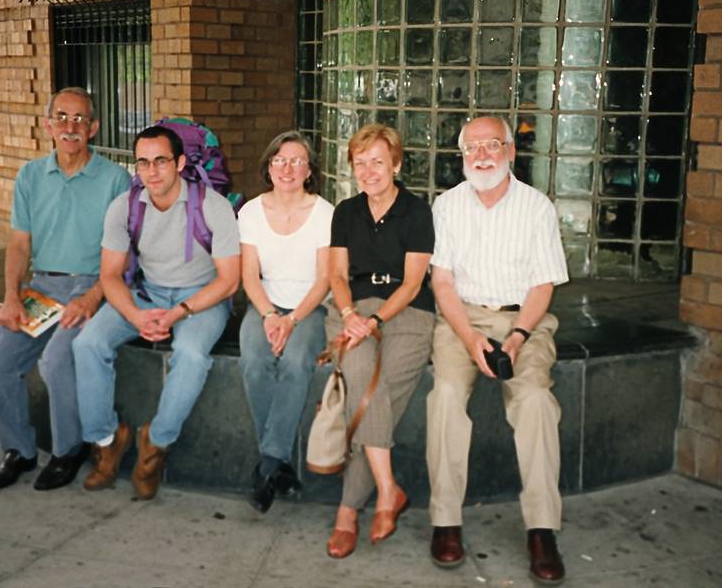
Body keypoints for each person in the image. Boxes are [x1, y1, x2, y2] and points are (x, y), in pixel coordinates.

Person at [426, 116, 569, 584]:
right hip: (461, 318)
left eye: (493, 145)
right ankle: (446, 520)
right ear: (462, 156)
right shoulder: (446, 207)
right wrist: (470, 339)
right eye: (472, 148)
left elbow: (542, 283)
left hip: (522, 319)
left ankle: (542, 528)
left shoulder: (536, 208)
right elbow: (442, 281)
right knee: (446, 396)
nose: (482, 155)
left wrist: (517, 336)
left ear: (511, 152)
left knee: (535, 402)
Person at [73, 125, 240, 500]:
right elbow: (110, 275)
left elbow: (229, 281)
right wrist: (134, 315)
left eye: (161, 161)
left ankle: (155, 445)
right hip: (148, 293)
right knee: (87, 344)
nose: (152, 171)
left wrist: (179, 312)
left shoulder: (211, 205)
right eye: (143, 163)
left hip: (201, 298)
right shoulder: (125, 206)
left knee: (192, 355)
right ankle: (106, 439)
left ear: (180, 163)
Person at [0, 87, 131, 491]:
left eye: (80, 119)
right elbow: (19, 245)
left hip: (92, 287)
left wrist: (93, 296)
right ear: (48, 126)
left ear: (94, 128)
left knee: (57, 360)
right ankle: (19, 451)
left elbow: (123, 255)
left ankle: (68, 450)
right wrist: (12, 297)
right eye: (62, 117)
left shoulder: (116, 179)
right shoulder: (30, 176)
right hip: (42, 286)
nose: (71, 126)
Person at [324, 124, 435, 558]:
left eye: (377, 161)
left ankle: (347, 511)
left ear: (396, 164)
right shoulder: (345, 212)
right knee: (361, 381)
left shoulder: (417, 211)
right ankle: (387, 492)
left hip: (407, 312)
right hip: (352, 308)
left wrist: (375, 321)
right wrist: (352, 314)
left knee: (377, 395)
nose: (368, 171)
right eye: (360, 162)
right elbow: (336, 275)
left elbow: (412, 284)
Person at [238, 131, 334, 513]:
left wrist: (292, 320)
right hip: (265, 305)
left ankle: (268, 464)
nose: (287, 168)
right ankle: (278, 466)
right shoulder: (250, 212)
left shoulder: (326, 213)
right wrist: (270, 316)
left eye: (297, 161)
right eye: (279, 160)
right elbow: (248, 276)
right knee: (253, 362)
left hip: (310, 307)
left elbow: (326, 278)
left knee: (296, 363)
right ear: (268, 167)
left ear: (309, 170)